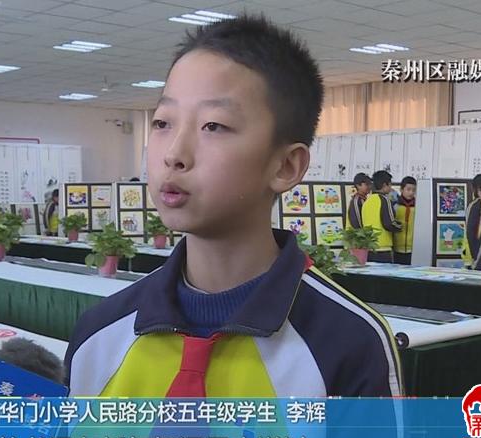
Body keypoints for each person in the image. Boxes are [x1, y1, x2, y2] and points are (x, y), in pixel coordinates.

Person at [65, 15, 401, 399]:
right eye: (162, 123)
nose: (173, 154)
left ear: (286, 166)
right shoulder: (99, 334)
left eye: (213, 125)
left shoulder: (349, 344)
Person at [361, 170, 402, 263]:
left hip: (369, 247)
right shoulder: (384, 200)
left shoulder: (367, 200)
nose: (391, 188)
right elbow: (389, 223)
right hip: (383, 248)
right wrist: (400, 227)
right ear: (384, 185)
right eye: (390, 185)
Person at [393, 176, 417, 265]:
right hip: (396, 248)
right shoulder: (395, 206)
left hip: (414, 249)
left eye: (414, 190)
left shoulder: (418, 207)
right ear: (401, 189)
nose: (411, 192)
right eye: (408, 189)